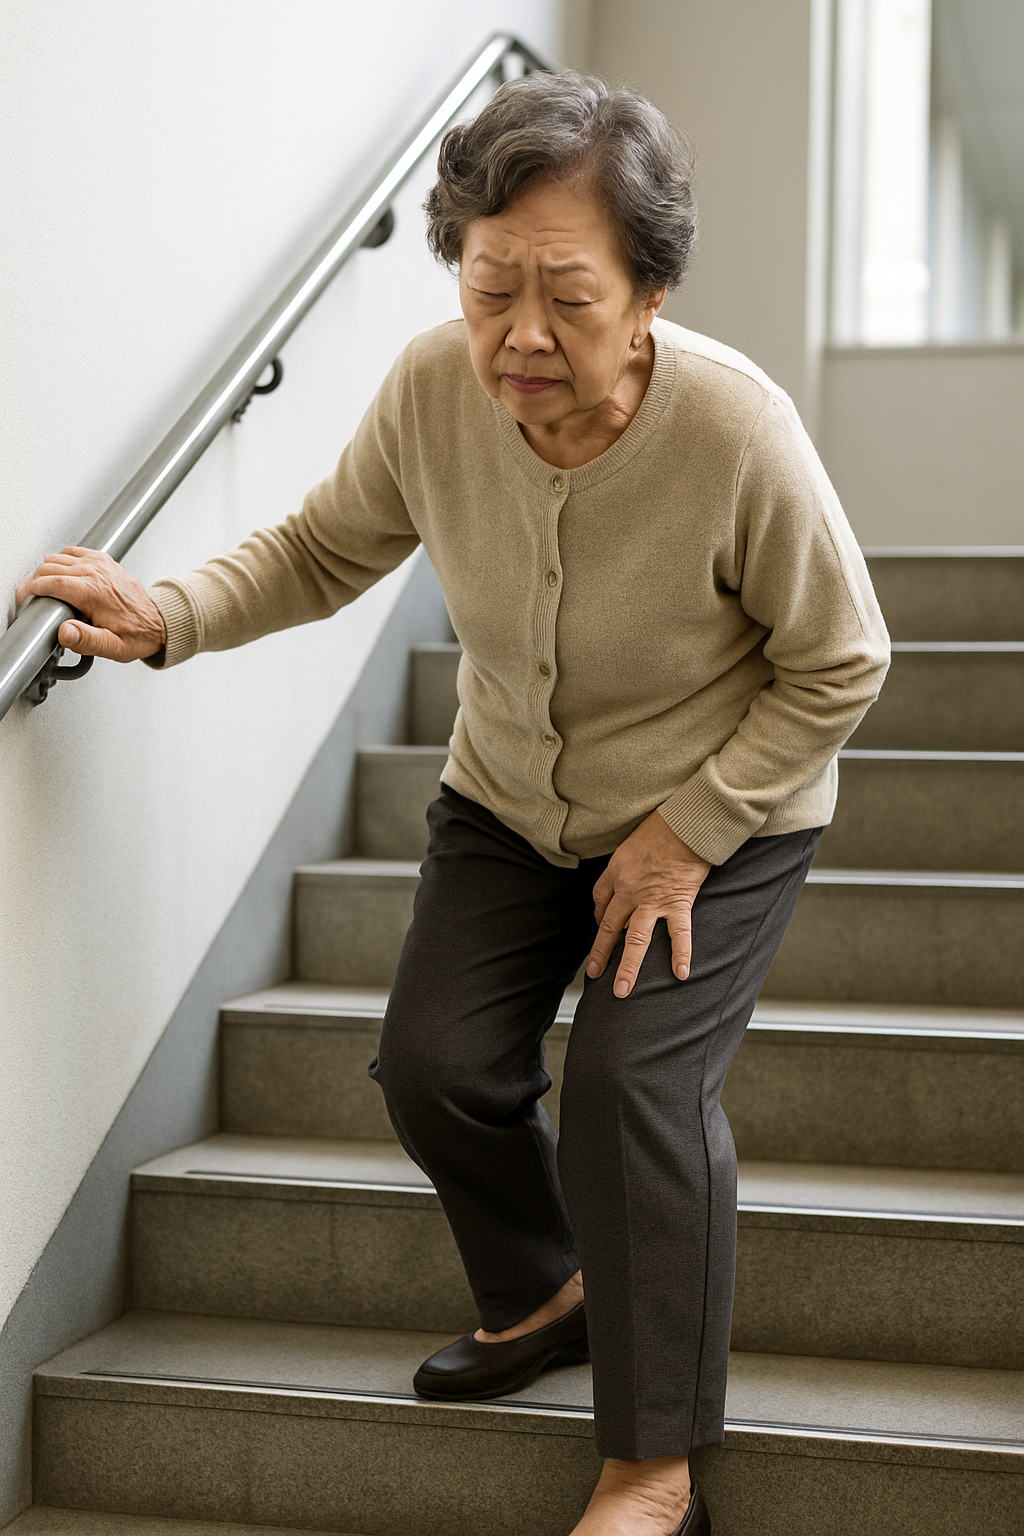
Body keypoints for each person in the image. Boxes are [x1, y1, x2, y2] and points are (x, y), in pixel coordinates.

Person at [18, 71, 889, 1536]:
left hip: (716, 811)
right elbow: (322, 548)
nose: (521, 337)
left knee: (633, 1087)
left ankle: (654, 1461)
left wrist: (689, 833)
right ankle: (550, 1285)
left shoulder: (738, 432)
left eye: (567, 295)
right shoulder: (437, 385)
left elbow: (841, 659)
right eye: (491, 289)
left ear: (653, 288)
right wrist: (166, 612)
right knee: (434, 1065)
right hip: (508, 798)